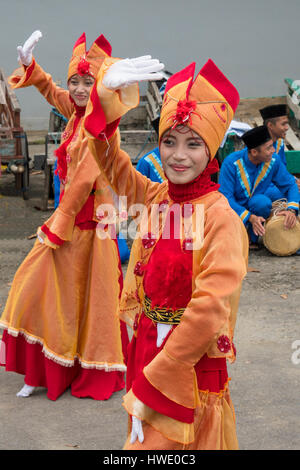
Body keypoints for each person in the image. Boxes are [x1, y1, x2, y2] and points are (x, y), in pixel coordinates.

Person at [83, 55, 249, 449]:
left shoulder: (220, 218)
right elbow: (111, 163)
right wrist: (106, 103)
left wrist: (161, 375)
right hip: (147, 348)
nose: (178, 155)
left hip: (185, 364)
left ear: (212, 151)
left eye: (194, 144)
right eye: (169, 142)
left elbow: (210, 308)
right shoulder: (156, 197)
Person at [0, 31, 129, 401]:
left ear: (101, 85)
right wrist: (30, 66)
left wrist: (57, 225)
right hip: (73, 225)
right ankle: (42, 369)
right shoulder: (76, 113)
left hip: (87, 228)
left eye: (89, 82)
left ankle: (60, 370)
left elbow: (84, 180)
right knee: (45, 293)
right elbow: (51, 91)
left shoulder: (102, 126)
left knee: (74, 299)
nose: (78, 89)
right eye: (75, 81)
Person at [219, 125, 299, 247]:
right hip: (234, 210)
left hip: (256, 204)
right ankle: (241, 230)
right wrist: (250, 217)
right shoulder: (231, 163)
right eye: (268, 148)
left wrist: (291, 210)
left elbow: (290, 185)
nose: (273, 150)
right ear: (254, 152)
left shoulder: (273, 160)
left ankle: (253, 237)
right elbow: (225, 197)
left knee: (261, 202)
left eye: (272, 145)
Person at [259, 104, 300, 195]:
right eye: (283, 124)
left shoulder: (279, 143)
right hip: (262, 189)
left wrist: (295, 180)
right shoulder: (259, 147)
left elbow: (282, 171)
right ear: (270, 125)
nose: (287, 127)